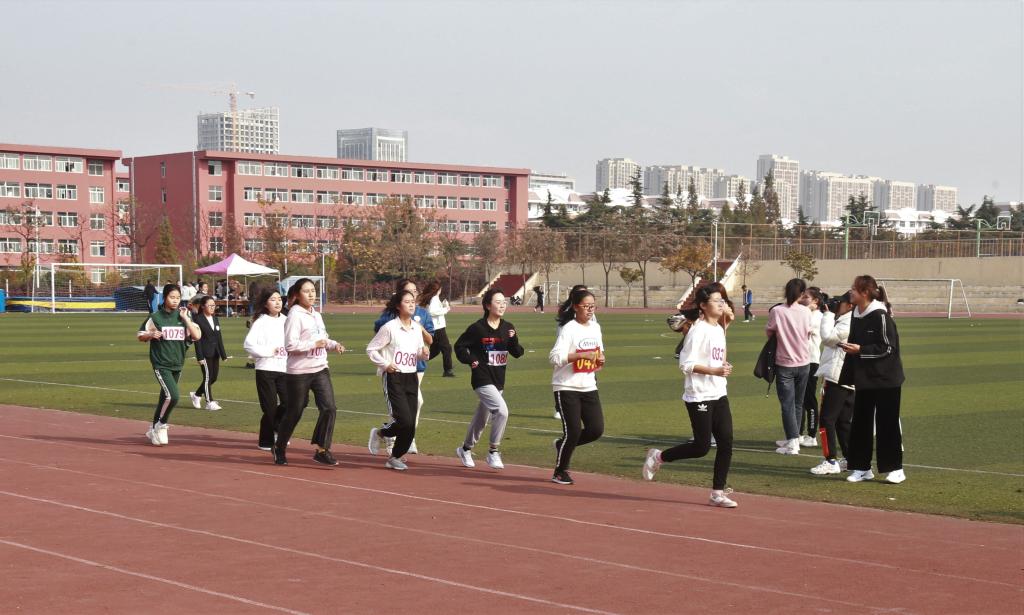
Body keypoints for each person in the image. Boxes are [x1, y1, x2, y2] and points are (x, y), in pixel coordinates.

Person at [642, 282, 738, 508]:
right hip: (699, 395)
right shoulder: (698, 330)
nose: (721, 304)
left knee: (726, 443)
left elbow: (717, 357)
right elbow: (686, 364)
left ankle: (717, 493)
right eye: (716, 301)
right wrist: (714, 370)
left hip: (719, 392)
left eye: (723, 300)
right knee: (701, 447)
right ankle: (658, 457)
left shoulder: (718, 329)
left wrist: (723, 366)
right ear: (703, 305)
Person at [839, 275, 907, 484]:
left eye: (854, 289)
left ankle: (895, 469)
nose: (850, 292)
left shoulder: (880, 315)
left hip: (887, 379)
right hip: (865, 378)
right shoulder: (855, 313)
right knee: (860, 423)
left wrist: (860, 350)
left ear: (865, 292)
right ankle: (861, 467)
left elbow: (888, 348)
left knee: (887, 423)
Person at [272, 278, 346, 467]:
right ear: (297, 295)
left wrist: (334, 344)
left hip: (320, 368)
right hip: (299, 372)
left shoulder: (317, 315)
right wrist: (313, 344)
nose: (312, 294)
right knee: (295, 411)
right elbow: (290, 345)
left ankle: (322, 450)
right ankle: (279, 447)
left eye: (313, 290)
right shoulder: (294, 316)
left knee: (329, 408)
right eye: (307, 291)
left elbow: (323, 338)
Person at [454, 289, 524, 470]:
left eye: (504, 302)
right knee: (502, 411)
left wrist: (514, 339)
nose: (502, 305)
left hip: (498, 379)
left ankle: (465, 449)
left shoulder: (508, 327)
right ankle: (493, 451)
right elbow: (459, 346)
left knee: (481, 419)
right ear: (487, 305)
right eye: (498, 302)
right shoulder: (477, 328)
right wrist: (471, 360)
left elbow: (517, 352)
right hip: (481, 378)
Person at [367, 290, 430, 471]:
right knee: (404, 420)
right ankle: (381, 433)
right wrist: (385, 364)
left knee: (410, 424)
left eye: (413, 301)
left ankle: (394, 457)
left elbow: (417, 353)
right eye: (407, 301)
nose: (411, 304)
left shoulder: (417, 328)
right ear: (398, 306)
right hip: (394, 377)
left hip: (411, 376)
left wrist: (423, 354)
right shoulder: (390, 328)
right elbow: (371, 349)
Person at [549, 288, 605, 485]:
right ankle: (560, 471)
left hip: (588, 385)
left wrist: (600, 359)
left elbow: (598, 353)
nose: (590, 310)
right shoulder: (569, 329)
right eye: (586, 306)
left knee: (596, 429)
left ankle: (561, 444)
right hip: (566, 386)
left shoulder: (595, 328)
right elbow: (554, 357)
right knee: (572, 431)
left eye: (593, 306)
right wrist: (580, 355)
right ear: (575, 307)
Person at [137, 283, 201, 446]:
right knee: (173, 396)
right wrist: (151, 335)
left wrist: (186, 318)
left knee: (164, 397)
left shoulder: (184, 315)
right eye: (172, 297)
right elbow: (140, 335)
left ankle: (153, 428)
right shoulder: (155, 317)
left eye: (178, 298)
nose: (175, 300)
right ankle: (162, 424)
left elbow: (197, 336)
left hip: (177, 363)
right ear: (164, 297)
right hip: (161, 363)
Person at [809, 292, 855, 475]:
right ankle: (850, 459)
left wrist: (828, 314)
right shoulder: (850, 319)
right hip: (845, 376)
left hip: (837, 376)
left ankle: (830, 460)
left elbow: (828, 338)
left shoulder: (848, 321)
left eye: (840, 302)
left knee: (827, 419)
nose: (837, 305)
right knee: (843, 421)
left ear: (849, 305)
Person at [766, 278, 812, 455]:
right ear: (802, 293)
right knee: (798, 403)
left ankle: (793, 441)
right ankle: (794, 437)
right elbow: (808, 333)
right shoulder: (806, 311)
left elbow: (769, 332)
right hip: (804, 361)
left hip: (785, 362)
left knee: (787, 404)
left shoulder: (777, 311)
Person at [244, 289, 289, 451]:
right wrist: (269, 352)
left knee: (290, 403)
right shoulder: (260, 322)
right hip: (266, 369)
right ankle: (265, 441)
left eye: (279, 299)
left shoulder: (287, 320)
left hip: (285, 369)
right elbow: (248, 345)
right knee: (269, 408)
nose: (277, 302)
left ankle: (277, 427)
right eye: (273, 299)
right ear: (265, 304)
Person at [554, 284, 591, 419]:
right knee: (565, 379)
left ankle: (584, 407)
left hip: (586, 350)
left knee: (588, 377)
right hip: (569, 350)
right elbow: (561, 332)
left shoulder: (590, 313)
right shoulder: (566, 313)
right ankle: (559, 408)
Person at [189, 295, 228, 411]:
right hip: (205, 353)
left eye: (213, 305)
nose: (212, 307)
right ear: (202, 306)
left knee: (213, 377)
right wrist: (199, 356)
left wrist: (223, 354)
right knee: (207, 377)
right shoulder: (198, 319)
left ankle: (196, 395)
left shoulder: (215, 319)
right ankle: (209, 402)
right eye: (209, 305)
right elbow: (197, 339)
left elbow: (219, 337)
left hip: (215, 352)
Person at [797, 287, 824, 447]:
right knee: (799, 398)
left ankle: (812, 435)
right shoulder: (807, 313)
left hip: (812, 361)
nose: (802, 299)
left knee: (809, 398)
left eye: (806, 297)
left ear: (815, 301)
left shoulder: (817, 316)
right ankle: (798, 433)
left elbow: (802, 328)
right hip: (801, 360)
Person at [420, 281, 455, 377]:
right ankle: (448, 370)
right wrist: (446, 309)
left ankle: (417, 361)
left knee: (435, 350)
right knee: (447, 348)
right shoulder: (434, 298)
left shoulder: (433, 298)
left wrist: (443, 306)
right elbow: (431, 311)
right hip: (438, 328)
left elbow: (432, 310)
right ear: (438, 290)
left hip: (436, 327)